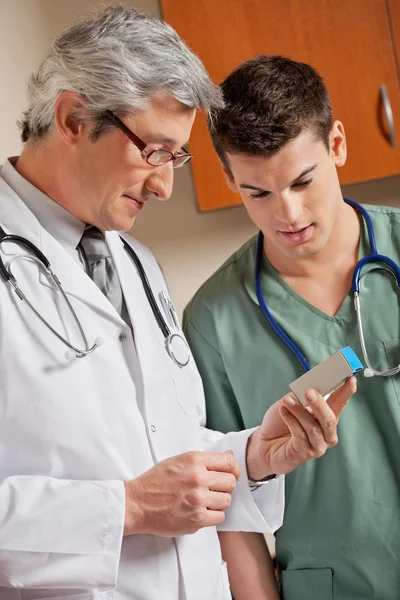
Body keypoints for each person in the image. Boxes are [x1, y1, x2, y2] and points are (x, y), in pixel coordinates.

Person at [0, 9, 356, 600]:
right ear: (72, 118)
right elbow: (142, 494)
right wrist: (127, 509)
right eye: (155, 151)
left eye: (177, 156)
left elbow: (165, 449)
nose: (166, 186)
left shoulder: (134, 262)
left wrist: (253, 455)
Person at [183, 54, 400, 600]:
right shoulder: (213, 321)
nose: (289, 214)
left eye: (303, 181)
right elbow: (231, 512)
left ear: (338, 144)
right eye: (257, 192)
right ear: (231, 178)